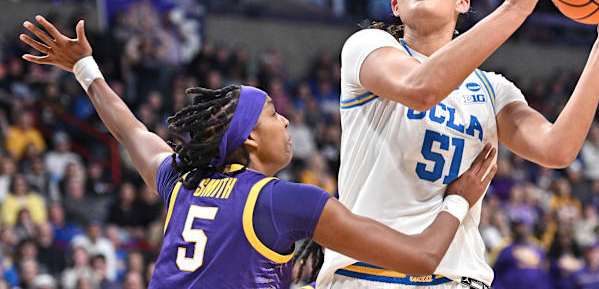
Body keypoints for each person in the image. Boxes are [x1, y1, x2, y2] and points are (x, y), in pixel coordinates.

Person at [19, 16, 498, 288]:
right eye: (271, 113)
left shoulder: (183, 183)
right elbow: (419, 257)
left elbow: (131, 132)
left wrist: (85, 68)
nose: (286, 119)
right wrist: (460, 198)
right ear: (249, 137)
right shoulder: (284, 201)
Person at [316, 0, 599, 288]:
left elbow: (558, 149)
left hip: (461, 276)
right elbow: (421, 88)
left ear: (462, 4)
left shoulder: (491, 89)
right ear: (395, 5)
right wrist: (514, 8)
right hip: (369, 274)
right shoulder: (368, 47)